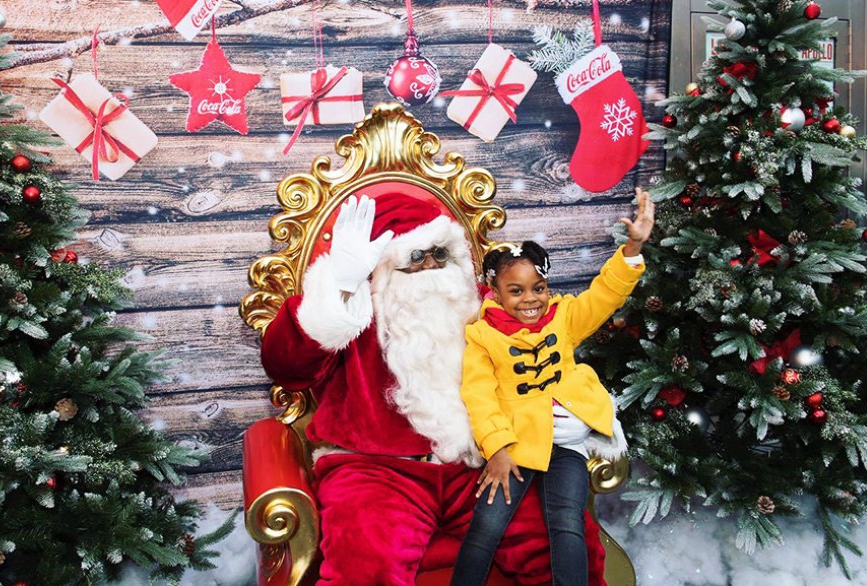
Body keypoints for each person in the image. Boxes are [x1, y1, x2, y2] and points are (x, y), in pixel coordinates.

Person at [260, 191, 610, 585]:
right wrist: (338, 289)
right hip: (377, 472)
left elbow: (552, 351)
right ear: (382, 265)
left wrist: (587, 413)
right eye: (415, 256)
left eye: (440, 254)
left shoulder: (482, 308)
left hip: (477, 463)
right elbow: (284, 366)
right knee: (366, 562)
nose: (430, 265)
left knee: (559, 542)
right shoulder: (356, 311)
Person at [452, 187, 655, 586]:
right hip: (514, 444)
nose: (531, 300)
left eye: (538, 288)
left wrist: (632, 247)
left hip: (567, 441)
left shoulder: (564, 317)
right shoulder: (481, 337)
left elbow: (604, 296)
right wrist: (496, 449)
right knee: (486, 527)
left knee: (567, 522)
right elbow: (478, 397)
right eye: (516, 291)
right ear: (495, 292)